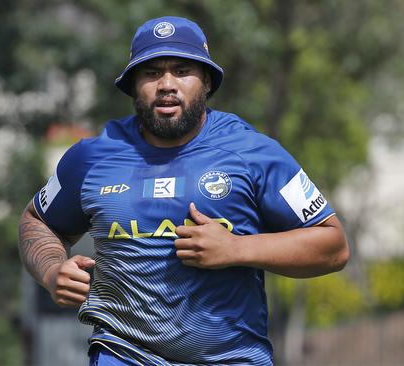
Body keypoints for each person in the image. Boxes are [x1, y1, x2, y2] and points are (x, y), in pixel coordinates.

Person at [18, 15, 349, 366]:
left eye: (181, 70)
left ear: (206, 80)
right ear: (132, 85)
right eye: (150, 72)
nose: (166, 84)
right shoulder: (91, 156)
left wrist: (237, 248)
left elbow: (333, 246)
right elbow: (37, 220)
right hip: (121, 353)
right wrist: (53, 270)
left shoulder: (254, 152)